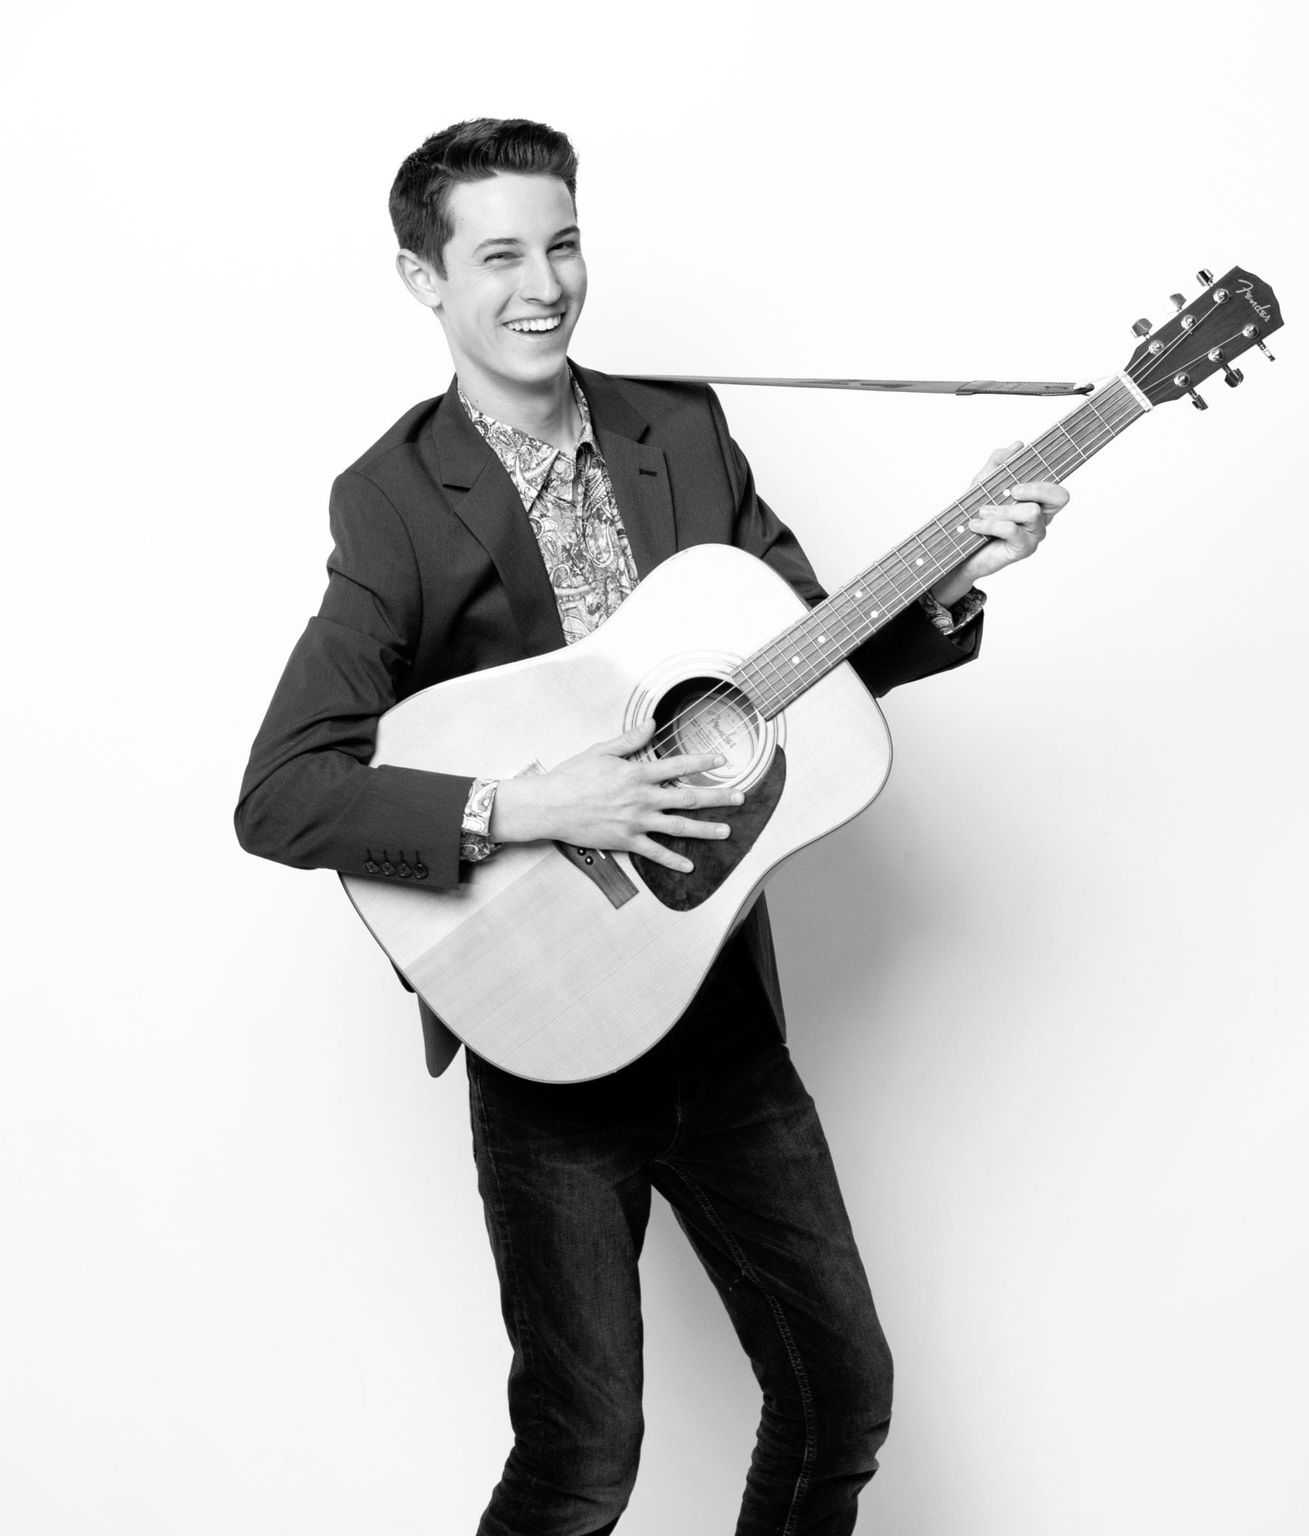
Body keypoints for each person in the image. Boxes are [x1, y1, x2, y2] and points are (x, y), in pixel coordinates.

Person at [234, 118, 1067, 1536]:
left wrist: (953, 580)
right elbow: (285, 792)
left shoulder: (676, 430)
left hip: (716, 1003)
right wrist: (532, 803)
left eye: (562, 242)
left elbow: (804, 657)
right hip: (548, 1025)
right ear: (421, 280)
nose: (542, 283)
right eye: (497, 254)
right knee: (584, 1459)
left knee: (840, 1393)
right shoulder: (393, 502)